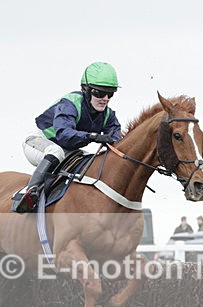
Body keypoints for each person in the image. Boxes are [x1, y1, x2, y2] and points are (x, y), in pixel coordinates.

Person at [13, 61, 123, 213]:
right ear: (86, 89)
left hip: (67, 150)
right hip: (38, 141)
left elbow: (118, 140)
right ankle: (30, 193)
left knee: (90, 162)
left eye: (110, 93)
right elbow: (64, 135)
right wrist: (94, 136)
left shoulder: (108, 115)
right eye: (99, 93)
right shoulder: (70, 103)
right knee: (55, 152)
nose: (105, 98)